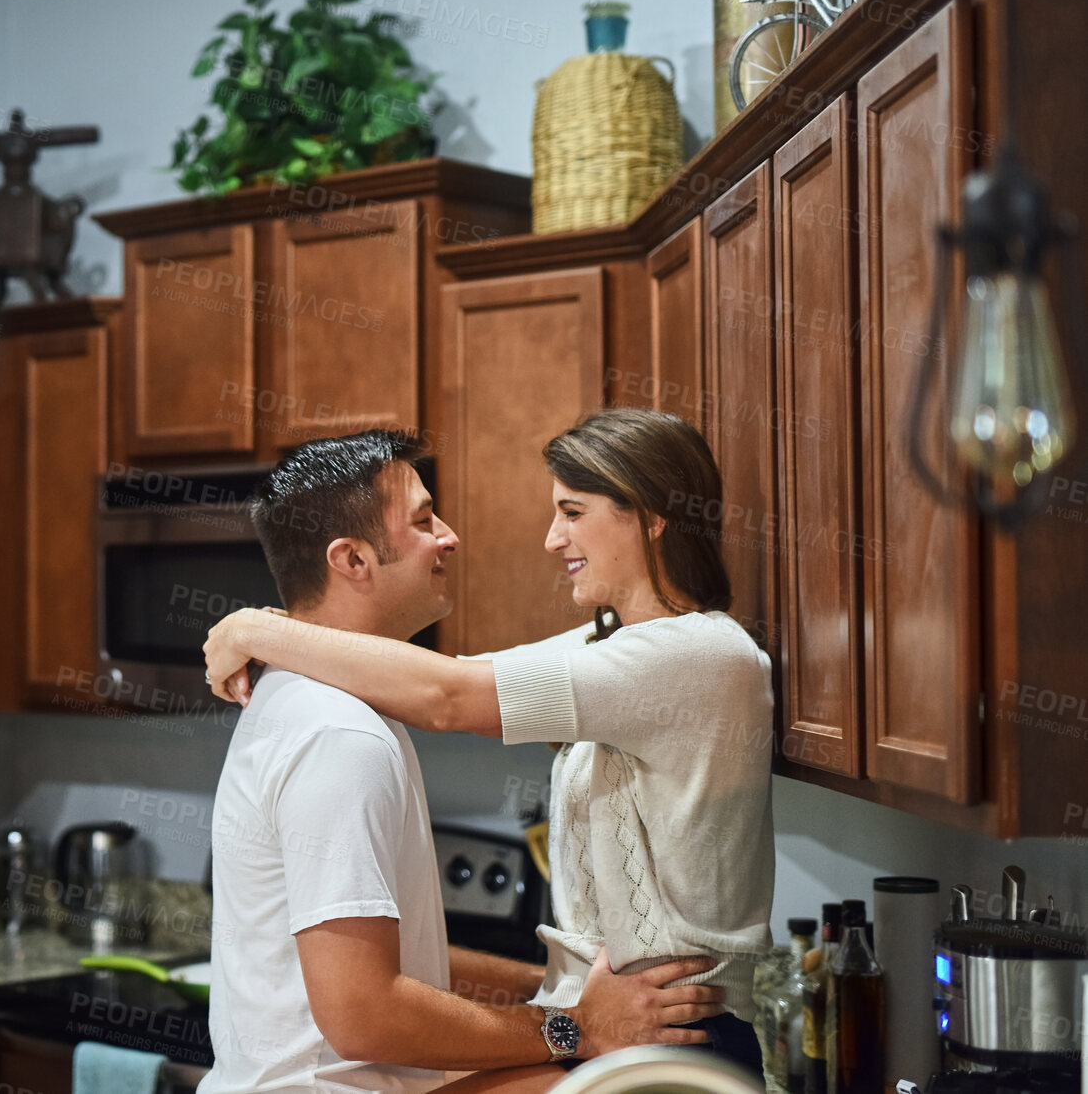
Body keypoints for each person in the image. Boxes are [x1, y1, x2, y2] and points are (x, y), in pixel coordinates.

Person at [203, 410, 777, 1082]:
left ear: (650, 514)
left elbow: (451, 693)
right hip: (617, 1019)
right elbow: (453, 682)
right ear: (350, 559)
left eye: (571, 510)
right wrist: (571, 1012)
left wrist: (259, 627)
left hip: (673, 1025)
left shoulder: (697, 654)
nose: (550, 537)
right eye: (423, 520)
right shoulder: (341, 728)